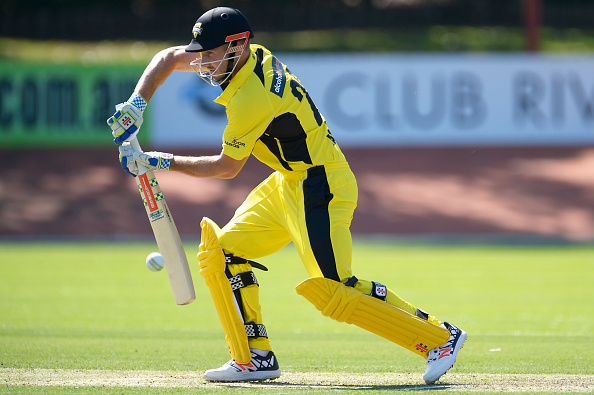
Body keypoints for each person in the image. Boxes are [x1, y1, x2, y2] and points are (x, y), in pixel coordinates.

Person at [108, 6, 466, 384]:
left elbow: (226, 168)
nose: (203, 63)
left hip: (321, 185)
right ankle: (254, 357)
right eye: (202, 53)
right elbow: (167, 57)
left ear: (236, 46)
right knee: (222, 252)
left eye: (210, 54)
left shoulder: (252, 96)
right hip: (287, 182)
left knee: (334, 290)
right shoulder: (248, 55)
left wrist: (158, 162)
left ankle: (440, 338)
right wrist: (137, 104)